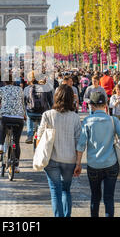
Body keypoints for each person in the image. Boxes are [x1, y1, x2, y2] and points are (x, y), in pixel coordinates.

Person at [74, 92, 120, 217]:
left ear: (91, 106)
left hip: (93, 165)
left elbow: (81, 145)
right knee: (109, 198)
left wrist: (78, 164)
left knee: (95, 197)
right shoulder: (113, 120)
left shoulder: (88, 121)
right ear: (105, 105)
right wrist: (116, 144)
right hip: (111, 163)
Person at [37, 85, 81, 217]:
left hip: (51, 159)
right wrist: (78, 163)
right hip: (69, 160)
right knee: (66, 190)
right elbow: (79, 142)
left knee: (55, 191)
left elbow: (39, 138)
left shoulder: (47, 115)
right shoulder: (75, 117)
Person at [0, 74, 27, 172]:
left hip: (6, 117)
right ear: (14, 81)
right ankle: (17, 166)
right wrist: (24, 115)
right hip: (19, 118)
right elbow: (23, 104)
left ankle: (1, 145)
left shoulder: (1, 90)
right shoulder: (20, 89)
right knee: (16, 142)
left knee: (3, 124)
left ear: (4, 82)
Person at [24, 71, 53, 144]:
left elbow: (24, 102)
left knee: (28, 115)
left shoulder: (27, 89)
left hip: (31, 112)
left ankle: (30, 135)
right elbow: (50, 102)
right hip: (43, 113)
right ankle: (41, 136)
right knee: (42, 124)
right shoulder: (46, 88)